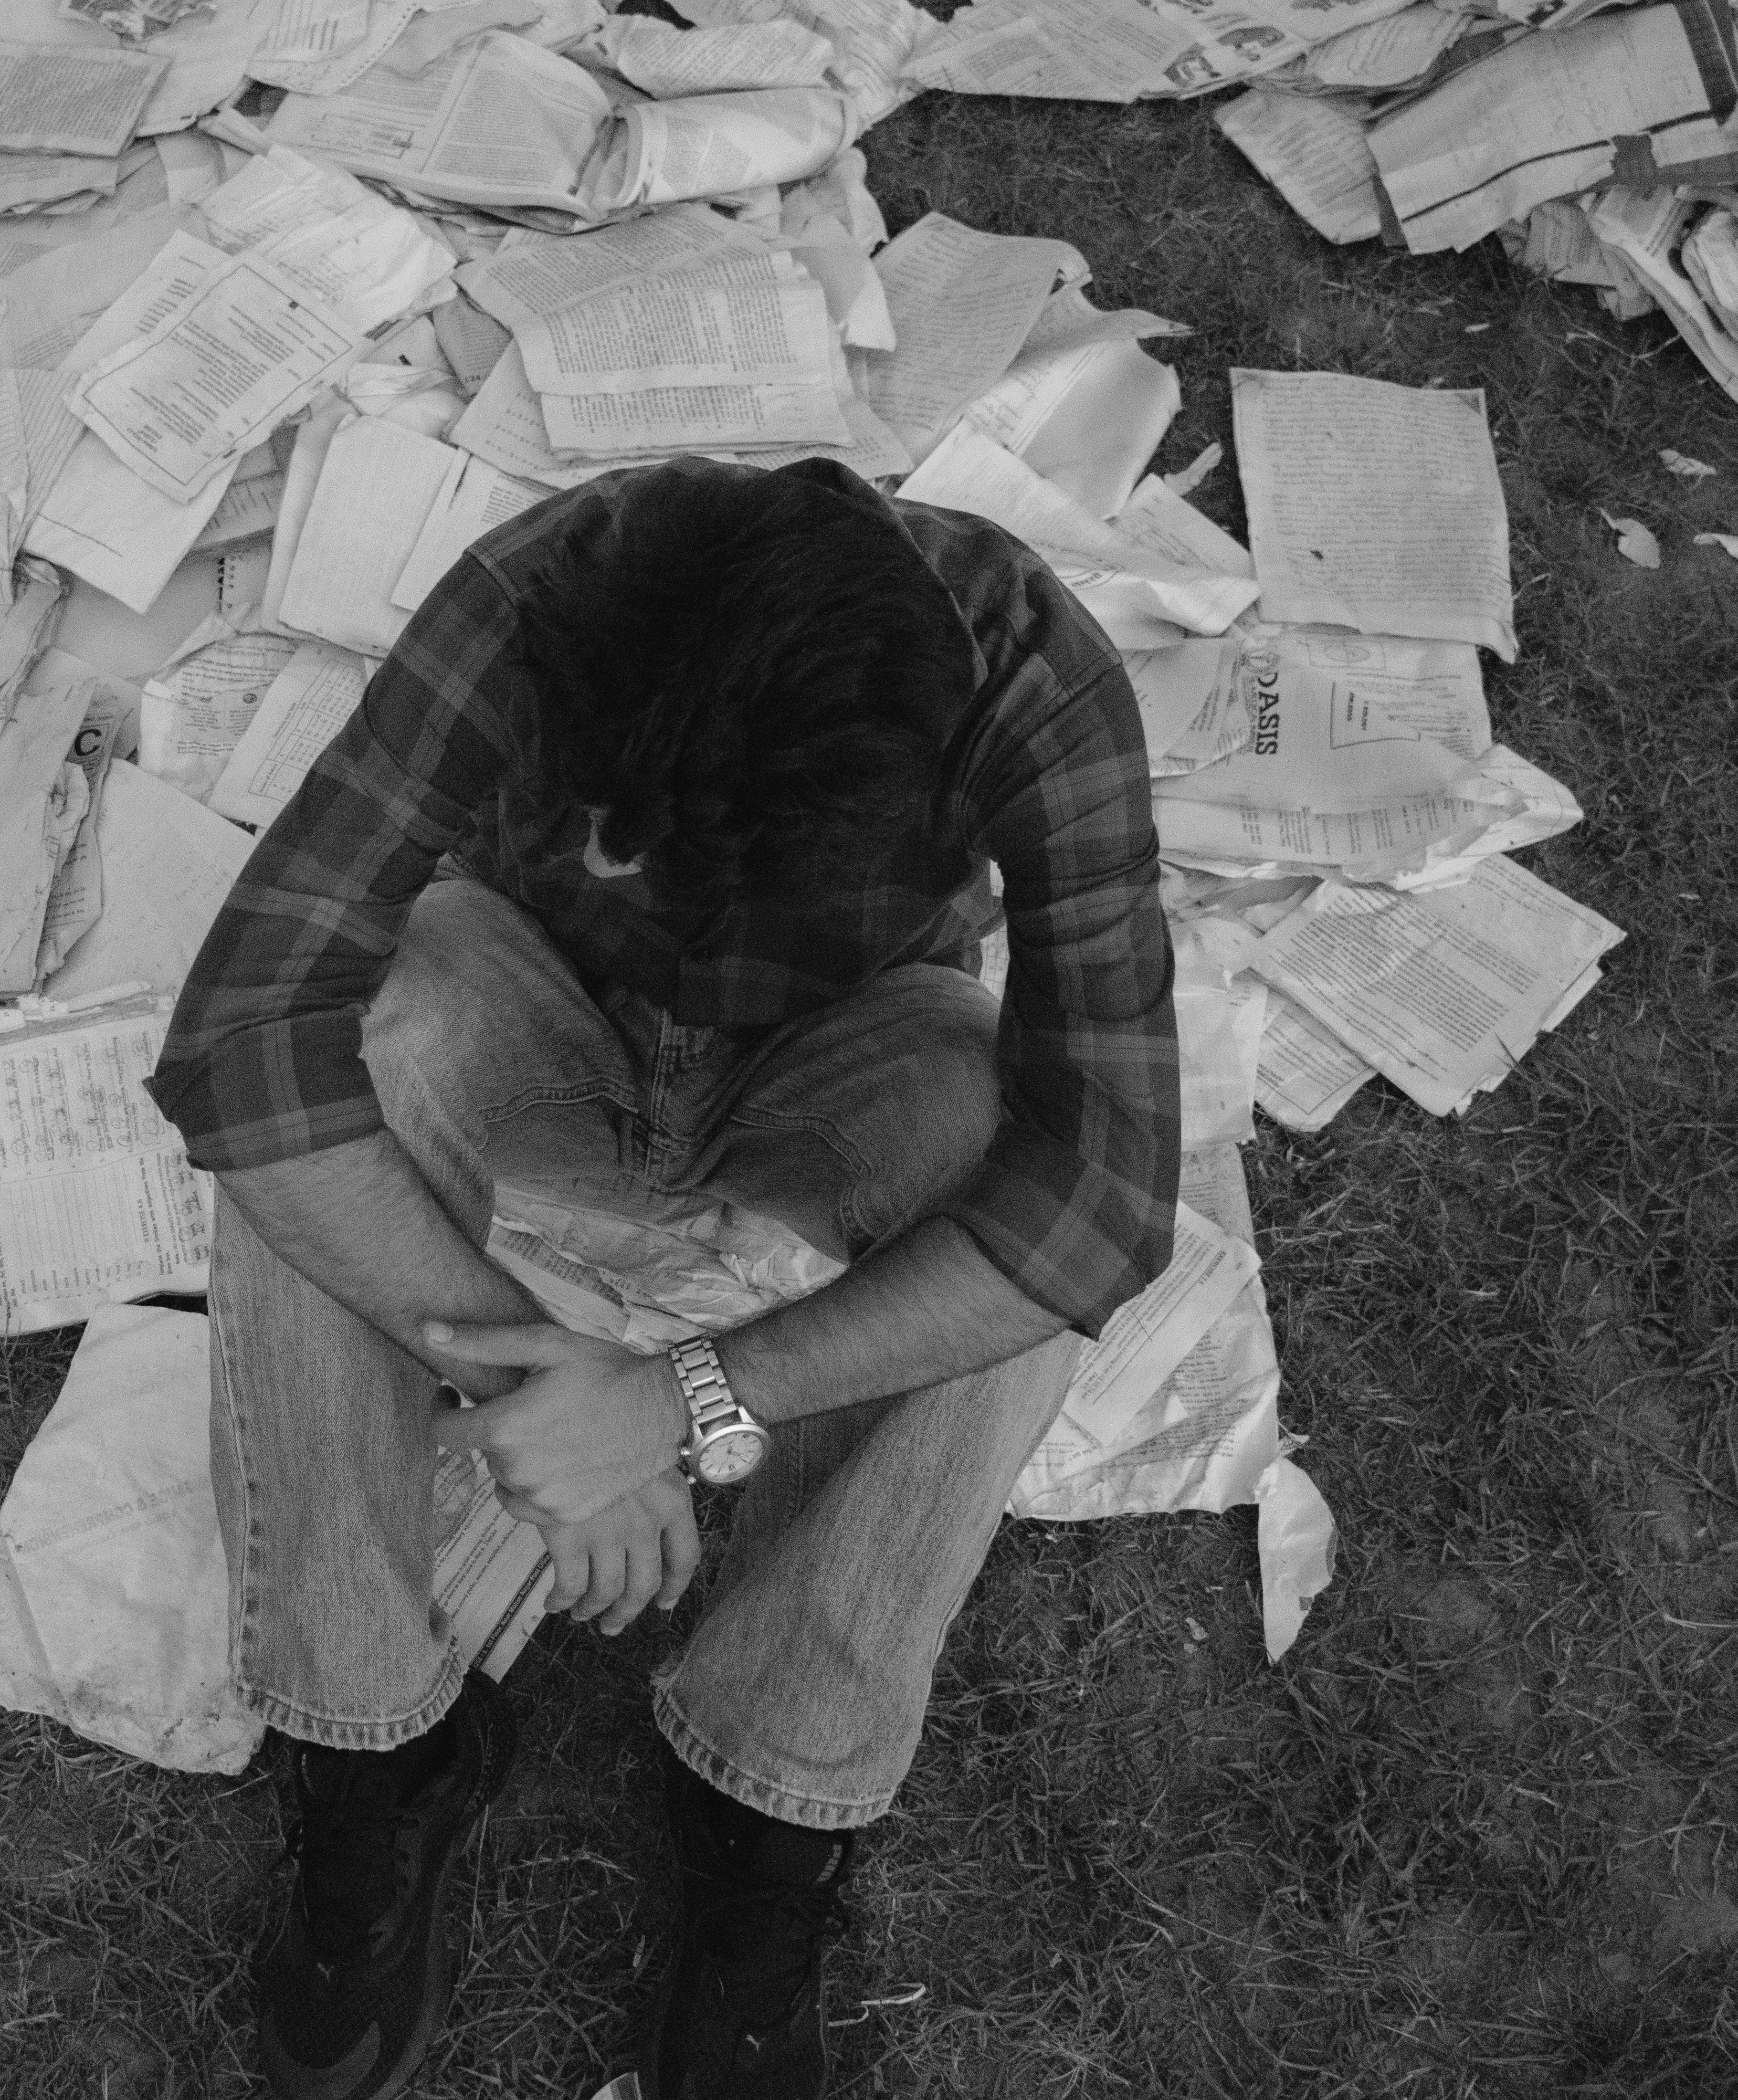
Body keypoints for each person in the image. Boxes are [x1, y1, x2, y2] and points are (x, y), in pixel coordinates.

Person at [144, 454, 1179, 2100]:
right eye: (611, 825)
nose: (632, 865)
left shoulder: (1040, 686)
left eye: (672, 851)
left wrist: (682, 1400)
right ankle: (371, 1755)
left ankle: (771, 1796)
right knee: (341, 1067)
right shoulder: (551, 591)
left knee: (1013, 1166)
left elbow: (1105, 1201)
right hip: (533, 1013)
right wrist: (527, 1382)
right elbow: (238, 1048)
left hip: (840, 1061)